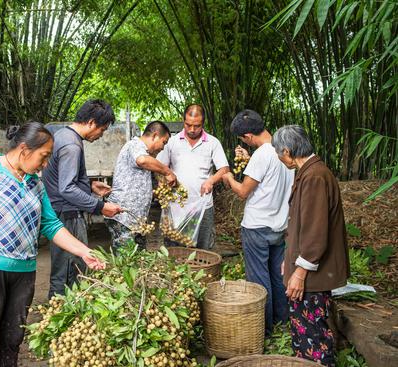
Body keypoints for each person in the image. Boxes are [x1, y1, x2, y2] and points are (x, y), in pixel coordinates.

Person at [0, 122, 105, 366]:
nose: (44, 165)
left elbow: (51, 225)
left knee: (12, 340)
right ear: (24, 149)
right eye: (43, 157)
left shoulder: (35, 184)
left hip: (23, 275)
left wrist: (84, 252)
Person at [272, 125, 350, 366]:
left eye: (278, 153)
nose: (278, 157)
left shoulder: (315, 176)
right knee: (305, 331)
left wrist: (301, 272)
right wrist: (290, 260)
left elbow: (315, 233)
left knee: (313, 335)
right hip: (307, 270)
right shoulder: (308, 172)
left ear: (287, 151)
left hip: (313, 276)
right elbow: (300, 225)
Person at [222, 110, 294, 336]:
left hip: (257, 227)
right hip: (279, 226)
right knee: (276, 275)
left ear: (247, 136)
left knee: (258, 280)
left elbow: (244, 191)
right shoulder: (285, 151)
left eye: (243, 139)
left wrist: (229, 178)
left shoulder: (262, 155)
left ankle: (263, 329)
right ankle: (282, 323)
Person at [42, 99, 123, 299]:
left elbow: (65, 178)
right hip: (67, 215)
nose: (101, 135)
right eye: (102, 130)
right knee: (72, 269)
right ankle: (60, 315)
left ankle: (60, 312)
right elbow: (67, 188)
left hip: (59, 212)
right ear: (91, 122)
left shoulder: (63, 134)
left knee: (64, 266)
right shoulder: (72, 145)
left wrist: (90, 185)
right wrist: (100, 207)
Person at [157, 104, 229, 250]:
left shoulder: (213, 143)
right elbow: (159, 167)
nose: (191, 129)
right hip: (176, 204)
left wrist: (211, 180)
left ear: (203, 124)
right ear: (183, 121)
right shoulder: (172, 142)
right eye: (188, 125)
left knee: (203, 246)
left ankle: (202, 270)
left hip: (203, 205)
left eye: (197, 126)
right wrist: (163, 181)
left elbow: (224, 169)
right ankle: (176, 272)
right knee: (174, 245)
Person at [106, 121, 176, 253]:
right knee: (126, 263)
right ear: (155, 135)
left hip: (136, 220)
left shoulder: (144, 151)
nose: (163, 148)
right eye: (164, 142)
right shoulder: (135, 145)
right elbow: (141, 160)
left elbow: (138, 184)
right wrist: (167, 171)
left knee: (139, 260)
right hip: (123, 217)